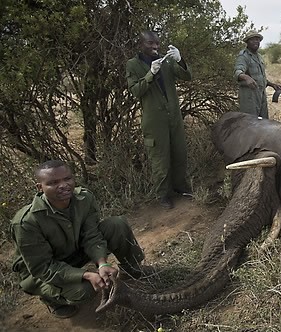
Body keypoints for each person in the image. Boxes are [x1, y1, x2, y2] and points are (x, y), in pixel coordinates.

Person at [10, 160, 147, 319]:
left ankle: (131, 269)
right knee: (85, 291)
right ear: (40, 188)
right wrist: (86, 275)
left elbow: (92, 235)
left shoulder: (84, 198)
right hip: (42, 272)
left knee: (117, 224)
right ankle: (52, 299)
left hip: (73, 251)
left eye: (67, 179)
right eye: (53, 183)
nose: (63, 185)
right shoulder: (26, 222)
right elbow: (42, 268)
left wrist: (103, 263)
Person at [126, 30, 193, 209]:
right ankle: (163, 195)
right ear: (141, 44)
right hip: (154, 120)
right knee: (160, 158)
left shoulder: (167, 60)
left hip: (174, 116)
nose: (155, 47)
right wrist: (150, 74)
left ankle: (181, 188)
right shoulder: (133, 65)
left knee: (179, 152)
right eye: (150, 43)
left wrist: (180, 60)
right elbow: (135, 91)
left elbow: (187, 76)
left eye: (157, 43)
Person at [234, 30, 281, 119]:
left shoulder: (259, 56)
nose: (256, 41)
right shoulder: (244, 56)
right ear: (247, 42)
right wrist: (246, 77)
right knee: (250, 123)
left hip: (261, 95)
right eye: (253, 39)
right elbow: (238, 71)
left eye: (258, 39)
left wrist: (271, 84)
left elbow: (259, 77)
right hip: (249, 97)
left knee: (264, 122)